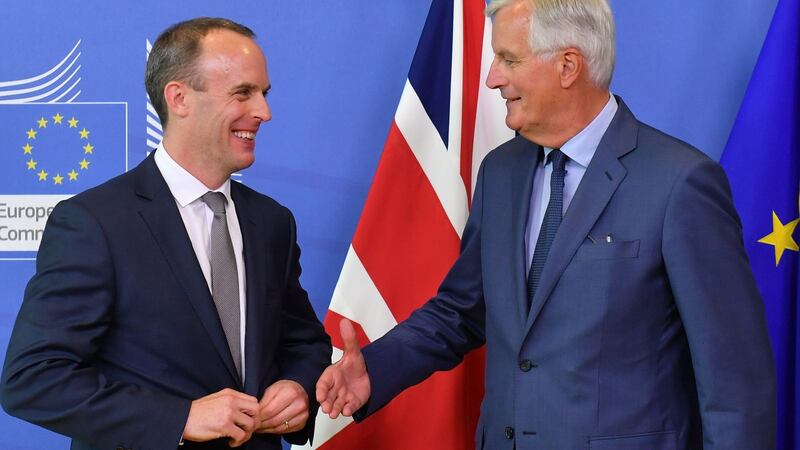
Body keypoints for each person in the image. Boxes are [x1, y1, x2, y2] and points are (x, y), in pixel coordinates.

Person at [316, 0, 776, 449]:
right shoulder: (500, 173)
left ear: (568, 66)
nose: (493, 78)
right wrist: (375, 369)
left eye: (508, 59)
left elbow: (734, 378)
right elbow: (462, 310)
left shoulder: (680, 183)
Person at [0, 17, 331, 450]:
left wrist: (297, 386)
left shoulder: (272, 223)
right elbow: (33, 378)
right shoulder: (95, 223)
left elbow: (302, 341)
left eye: (264, 94)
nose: (264, 113)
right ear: (179, 98)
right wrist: (181, 417)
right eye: (243, 93)